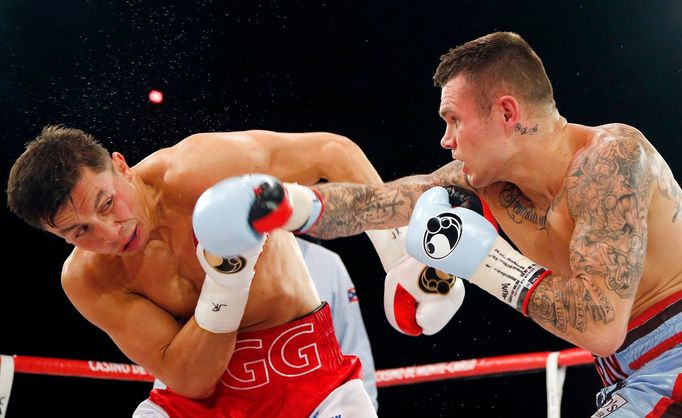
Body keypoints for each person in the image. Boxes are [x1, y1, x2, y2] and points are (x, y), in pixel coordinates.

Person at [216, 32, 682, 417]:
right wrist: (280, 204)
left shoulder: (610, 159)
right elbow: (375, 204)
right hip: (628, 375)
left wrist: (487, 261)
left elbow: (601, 327)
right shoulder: (491, 184)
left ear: (506, 113)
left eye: (454, 120)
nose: (446, 139)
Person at [7, 126, 467, 417]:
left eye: (107, 203)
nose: (109, 232)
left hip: (309, 378)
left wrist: (396, 254)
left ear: (120, 167)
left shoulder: (197, 170)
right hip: (195, 402)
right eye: (78, 232)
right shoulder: (89, 278)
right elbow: (189, 379)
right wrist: (229, 280)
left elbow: (332, 150)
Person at [149, 236, 380, 412]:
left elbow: (352, 346)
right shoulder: (189, 261)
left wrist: (357, 405)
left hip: (305, 401)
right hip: (213, 405)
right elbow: (181, 361)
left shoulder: (327, 264)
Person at [295, 237, 378, 411]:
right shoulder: (228, 270)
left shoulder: (326, 264)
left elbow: (353, 347)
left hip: (320, 408)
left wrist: (366, 408)